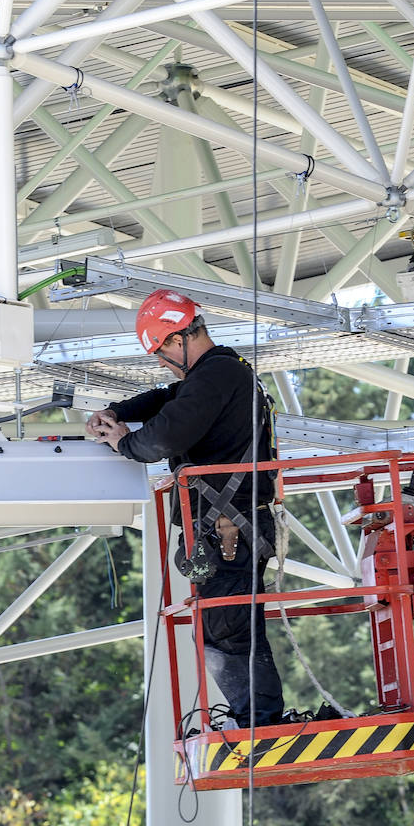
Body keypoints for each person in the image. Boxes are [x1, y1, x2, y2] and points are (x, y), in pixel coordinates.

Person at [86, 289, 284, 729]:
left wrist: (122, 441)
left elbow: (161, 439)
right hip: (228, 528)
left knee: (227, 624)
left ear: (178, 339)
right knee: (223, 623)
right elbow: (168, 397)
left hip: (230, 529)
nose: (160, 361)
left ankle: (260, 723)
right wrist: (117, 410)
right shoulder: (220, 376)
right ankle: (255, 717)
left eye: (160, 350)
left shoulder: (216, 378)